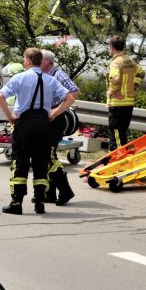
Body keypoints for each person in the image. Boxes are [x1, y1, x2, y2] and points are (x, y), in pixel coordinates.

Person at [0, 47, 75, 215]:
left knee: (20, 164)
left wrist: (10, 116)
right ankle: (39, 202)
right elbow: (70, 98)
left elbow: (0, 97)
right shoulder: (50, 80)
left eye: (24, 59)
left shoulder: (19, 77)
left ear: (29, 60)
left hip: (23, 124)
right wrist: (54, 113)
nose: (24, 61)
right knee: (40, 164)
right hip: (43, 125)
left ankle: (16, 203)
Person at [41, 49, 80, 206]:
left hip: (55, 120)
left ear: (48, 62)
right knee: (44, 157)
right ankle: (49, 193)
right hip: (45, 119)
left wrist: (57, 110)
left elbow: (74, 91)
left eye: (40, 60)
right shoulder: (43, 75)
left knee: (49, 156)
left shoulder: (58, 74)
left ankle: (65, 190)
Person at [107, 35, 145, 150]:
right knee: (122, 134)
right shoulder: (130, 61)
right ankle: (120, 160)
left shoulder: (116, 62)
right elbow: (141, 73)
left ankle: (118, 161)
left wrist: (113, 92)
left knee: (116, 135)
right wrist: (135, 86)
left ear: (111, 47)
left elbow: (115, 78)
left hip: (118, 103)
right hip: (128, 103)